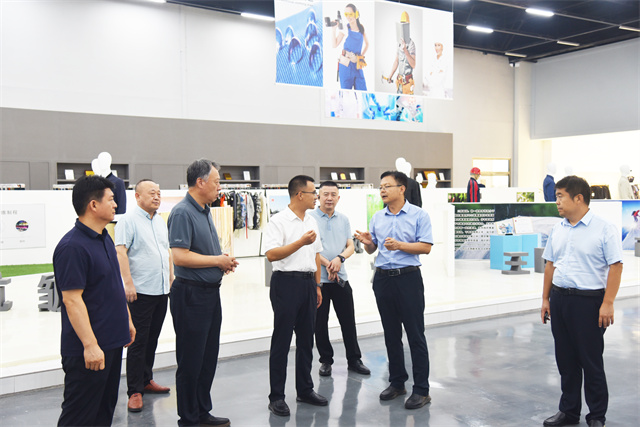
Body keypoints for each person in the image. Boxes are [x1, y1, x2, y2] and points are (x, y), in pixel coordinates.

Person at [540, 175, 623, 427]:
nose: (557, 201)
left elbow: (616, 266)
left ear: (578, 198)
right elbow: (550, 265)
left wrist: (608, 302)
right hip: (560, 299)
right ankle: (568, 411)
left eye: (560, 196)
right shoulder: (558, 229)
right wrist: (545, 299)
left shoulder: (604, 228)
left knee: (591, 361)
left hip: (589, 302)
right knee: (565, 360)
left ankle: (596, 415)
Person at [53, 175, 135, 426]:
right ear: (93, 205)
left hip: (111, 344)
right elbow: (72, 300)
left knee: (103, 413)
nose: (116, 205)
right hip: (88, 350)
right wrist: (90, 345)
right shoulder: (72, 247)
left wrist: (127, 320)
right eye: (111, 199)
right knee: (79, 417)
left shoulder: (104, 237)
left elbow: (112, 284)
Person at [167, 159, 239, 427]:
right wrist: (217, 261)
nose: (220, 187)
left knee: (207, 357)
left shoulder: (205, 211)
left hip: (208, 294)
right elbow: (180, 256)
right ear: (200, 182)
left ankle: (201, 411)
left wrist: (222, 261)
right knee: (191, 360)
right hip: (190, 296)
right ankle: (188, 418)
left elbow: (201, 253)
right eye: (216, 182)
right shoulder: (182, 212)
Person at [354, 171, 434, 410]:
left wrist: (400, 245)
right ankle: (397, 382)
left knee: (415, 335)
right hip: (383, 279)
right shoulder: (378, 217)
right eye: (381, 187)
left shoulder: (419, 215)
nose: (382, 190)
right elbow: (373, 249)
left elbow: (426, 247)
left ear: (402, 188)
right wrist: (368, 242)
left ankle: (421, 390)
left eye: (387, 186)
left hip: (408, 279)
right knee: (391, 334)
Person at [263, 175, 327, 417]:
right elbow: (272, 255)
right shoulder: (278, 221)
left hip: (308, 284)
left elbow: (316, 255)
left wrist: (317, 286)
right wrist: (300, 242)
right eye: (313, 193)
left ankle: (305, 389)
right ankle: (276, 397)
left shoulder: (312, 220)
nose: (317, 197)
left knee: (306, 339)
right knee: (281, 340)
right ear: (300, 195)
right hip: (285, 283)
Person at [115, 179, 174, 413]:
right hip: (140, 291)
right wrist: (128, 283)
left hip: (161, 289)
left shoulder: (160, 220)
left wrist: (171, 277)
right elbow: (121, 251)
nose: (157, 197)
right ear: (138, 196)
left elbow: (166, 251)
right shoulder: (128, 220)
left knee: (152, 338)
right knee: (138, 342)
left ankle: (146, 379)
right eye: (152, 193)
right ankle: (134, 391)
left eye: (159, 193)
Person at [309, 181, 370, 377]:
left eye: (333, 194)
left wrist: (339, 259)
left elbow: (350, 246)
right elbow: (310, 249)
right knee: (320, 324)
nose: (329, 198)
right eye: (325, 194)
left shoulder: (343, 219)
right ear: (318, 196)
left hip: (340, 279)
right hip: (319, 280)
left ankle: (354, 359)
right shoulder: (309, 218)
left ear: (338, 197)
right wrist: (329, 264)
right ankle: (326, 361)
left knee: (348, 321)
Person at [333, 3, 369, 91]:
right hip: (346, 65)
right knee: (346, 94)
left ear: (356, 14)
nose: (348, 17)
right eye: (346, 14)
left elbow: (367, 44)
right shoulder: (345, 28)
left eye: (350, 14)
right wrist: (333, 29)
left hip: (357, 65)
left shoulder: (361, 28)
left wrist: (360, 57)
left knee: (362, 92)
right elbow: (334, 44)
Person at [384, 11, 416, 95]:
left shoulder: (411, 44)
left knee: (408, 102)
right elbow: (396, 61)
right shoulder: (399, 43)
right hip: (400, 83)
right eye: (402, 23)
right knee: (398, 102)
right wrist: (390, 76)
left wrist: (405, 50)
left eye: (405, 23)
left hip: (408, 84)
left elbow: (413, 65)